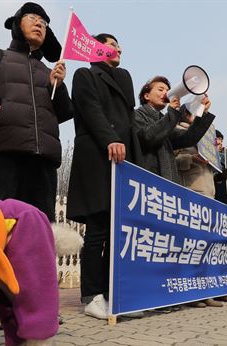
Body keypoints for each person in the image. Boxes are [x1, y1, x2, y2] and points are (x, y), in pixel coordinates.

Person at [0, 2, 73, 328]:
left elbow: (64, 113)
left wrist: (59, 83)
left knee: (39, 235)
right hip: (3, 152)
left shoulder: (47, 72)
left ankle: (37, 304)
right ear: (17, 24)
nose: (39, 24)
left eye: (44, 21)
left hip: (42, 159)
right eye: (32, 18)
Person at [66, 33, 141, 320]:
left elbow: (129, 119)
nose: (118, 48)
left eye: (119, 45)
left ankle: (113, 295)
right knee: (98, 228)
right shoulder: (85, 75)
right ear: (96, 48)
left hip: (123, 159)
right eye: (111, 44)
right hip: (99, 154)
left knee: (116, 231)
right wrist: (109, 138)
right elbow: (91, 110)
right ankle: (91, 295)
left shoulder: (122, 77)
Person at [132, 76, 215, 184]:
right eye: (160, 90)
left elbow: (189, 138)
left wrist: (203, 113)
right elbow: (148, 137)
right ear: (146, 96)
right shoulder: (136, 115)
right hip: (147, 180)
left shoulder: (166, 120)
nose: (166, 93)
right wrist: (172, 113)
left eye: (167, 91)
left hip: (169, 182)